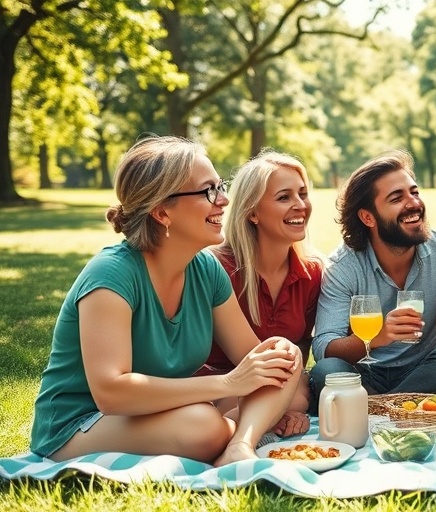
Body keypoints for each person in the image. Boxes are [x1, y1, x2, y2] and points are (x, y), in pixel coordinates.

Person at [30, 136, 305, 466]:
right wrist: (229, 384)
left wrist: (273, 361)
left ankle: (239, 444)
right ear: (162, 212)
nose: (224, 200)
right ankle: (230, 429)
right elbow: (111, 393)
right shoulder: (111, 275)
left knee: (283, 355)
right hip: (80, 424)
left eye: (221, 186)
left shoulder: (206, 270)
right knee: (203, 426)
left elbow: (254, 357)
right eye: (208, 191)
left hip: (158, 412)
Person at [310, 150, 436, 399]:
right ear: (367, 217)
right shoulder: (343, 267)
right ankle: (402, 407)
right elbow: (323, 348)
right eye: (397, 198)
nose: (414, 203)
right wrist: (378, 337)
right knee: (327, 371)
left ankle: (375, 407)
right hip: (365, 373)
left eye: (414, 192)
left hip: (423, 369)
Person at [195, 150, 323, 438]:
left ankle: (257, 420)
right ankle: (253, 423)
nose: (300, 205)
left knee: (302, 394)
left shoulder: (312, 271)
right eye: (284, 197)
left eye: (303, 194)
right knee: (292, 397)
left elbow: (300, 347)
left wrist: (285, 396)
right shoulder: (216, 266)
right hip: (218, 384)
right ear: (252, 212)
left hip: (278, 383)